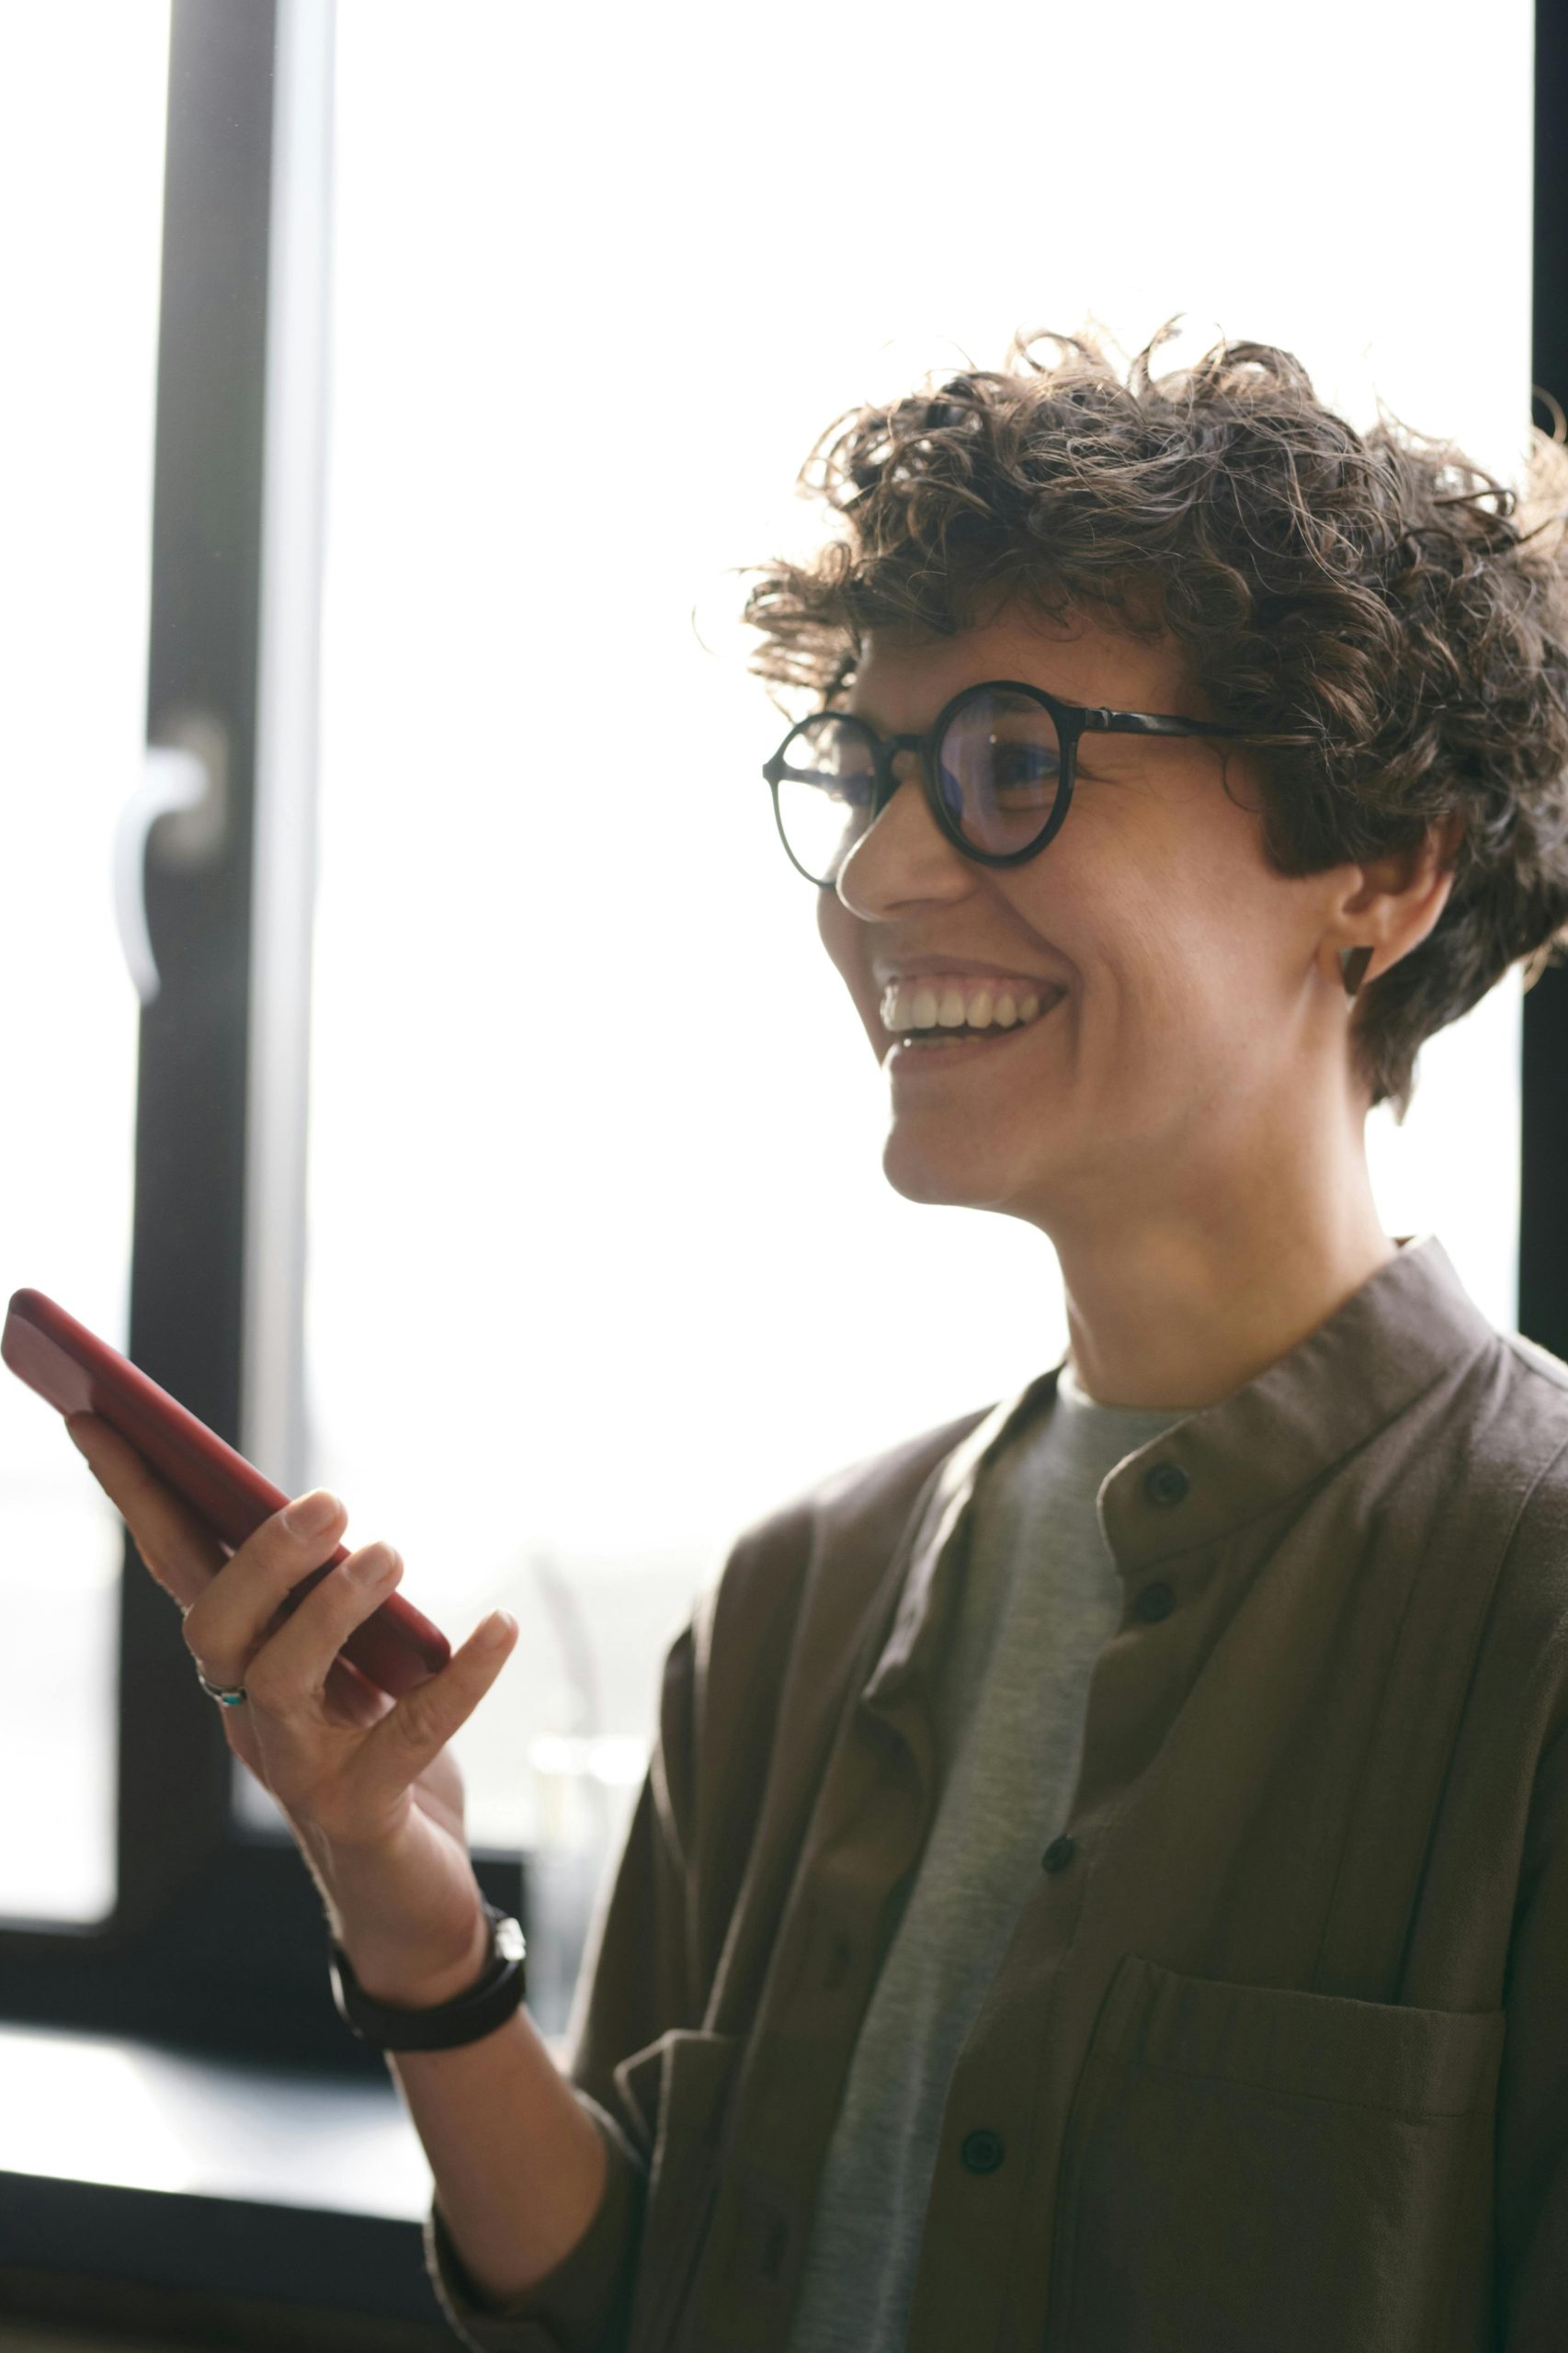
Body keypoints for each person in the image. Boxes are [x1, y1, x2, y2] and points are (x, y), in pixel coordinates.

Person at [69, 318, 1568, 2353]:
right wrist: (407, 1913)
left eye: (1014, 764)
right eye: (864, 773)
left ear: (1383, 869)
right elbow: (629, 2290)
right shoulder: (793, 1603)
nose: (875, 872)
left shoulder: (1527, 1604)